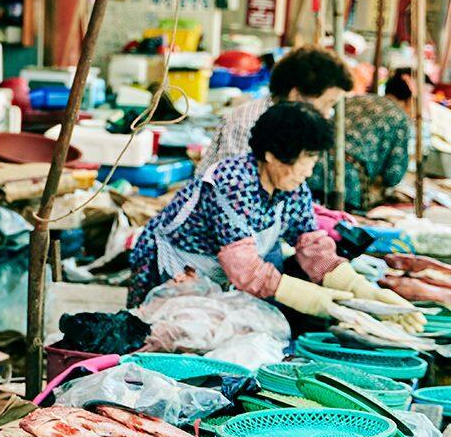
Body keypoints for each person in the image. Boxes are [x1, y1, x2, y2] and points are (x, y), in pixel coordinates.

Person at [129, 102, 419, 325]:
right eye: (303, 159)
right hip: (172, 266)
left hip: (214, 273)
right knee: (161, 330)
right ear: (270, 154)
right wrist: (312, 298)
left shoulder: (292, 187)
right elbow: (245, 270)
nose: (308, 170)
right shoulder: (233, 183)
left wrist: (360, 287)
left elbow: (312, 245)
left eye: (313, 159)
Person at [200, 46, 353, 172]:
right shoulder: (246, 123)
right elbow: (231, 190)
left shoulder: (299, 124)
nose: (327, 114)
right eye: (327, 103)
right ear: (295, 96)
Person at [307, 92, 413, 212]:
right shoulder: (399, 118)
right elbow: (393, 174)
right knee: (340, 224)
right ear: (409, 101)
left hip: (312, 165)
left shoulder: (355, 100)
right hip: (349, 181)